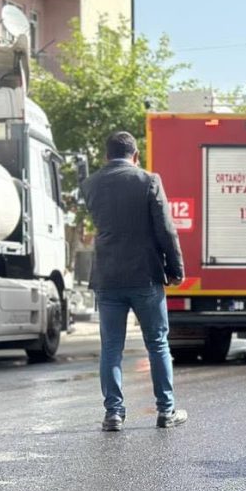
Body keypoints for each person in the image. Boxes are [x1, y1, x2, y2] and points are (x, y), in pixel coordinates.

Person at [81, 131, 187, 432]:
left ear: (105, 156)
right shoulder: (148, 181)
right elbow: (166, 229)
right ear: (135, 155)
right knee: (157, 344)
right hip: (145, 275)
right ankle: (166, 412)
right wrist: (175, 268)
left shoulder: (90, 184)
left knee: (111, 347)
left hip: (107, 276)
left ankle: (113, 414)